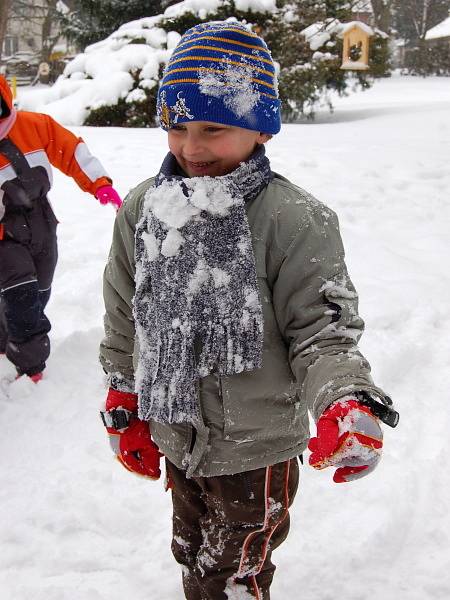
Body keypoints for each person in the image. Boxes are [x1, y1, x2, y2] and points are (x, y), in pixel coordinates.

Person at [99, 22, 397, 600]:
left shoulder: (293, 219)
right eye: (177, 128)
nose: (192, 147)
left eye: (213, 127)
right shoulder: (144, 208)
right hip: (176, 430)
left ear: (260, 127)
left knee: (231, 573)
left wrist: (344, 397)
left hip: (257, 447)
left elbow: (323, 329)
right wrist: (123, 397)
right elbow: (123, 313)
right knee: (191, 550)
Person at [0, 75, 122, 382]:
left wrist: (99, 184)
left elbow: (71, 151)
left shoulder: (34, 125)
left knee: (40, 287)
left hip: (42, 221)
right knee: (21, 292)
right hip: (3, 232)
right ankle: (30, 366)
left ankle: (6, 337)